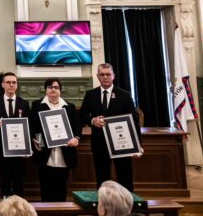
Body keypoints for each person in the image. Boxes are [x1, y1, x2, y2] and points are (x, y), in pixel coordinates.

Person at [80, 63, 142, 191]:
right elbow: (82, 114)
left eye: (108, 74)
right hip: (99, 143)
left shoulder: (124, 95)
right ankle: (103, 203)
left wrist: (137, 145)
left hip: (122, 143)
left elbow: (134, 120)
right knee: (102, 178)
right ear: (98, 76)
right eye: (102, 74)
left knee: (125, 177)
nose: (105, 77)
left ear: (113, 76)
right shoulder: (90, 94)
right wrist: (93, 120)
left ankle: (127, 202)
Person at [30, 77, 81, 202]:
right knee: (45, 190)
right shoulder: (37, 105)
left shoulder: (69, 107)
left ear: (60, 90)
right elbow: (33, 126)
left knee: (61, 190)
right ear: (46, 90)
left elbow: (77, 126)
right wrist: (38, 141)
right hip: (45, 155)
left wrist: (76, 138)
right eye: (50, 87)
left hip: (64, 154)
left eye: (56, 87)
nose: (53, 90)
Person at [0, 71, 29, 198]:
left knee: (19, 183)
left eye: (14, 82)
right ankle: (6, 208)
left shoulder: (24, 103)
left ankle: (19, 208)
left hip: (20, 151)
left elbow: (28, 127)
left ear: (17, 85)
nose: (11, 85)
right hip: (2, 150)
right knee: (4, 182)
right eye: (8, 82)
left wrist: (28, 148)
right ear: (2, 84)